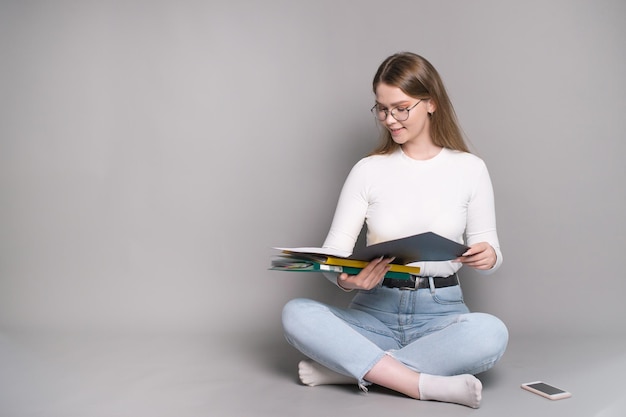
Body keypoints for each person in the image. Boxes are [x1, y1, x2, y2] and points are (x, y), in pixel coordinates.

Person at [281, 52, 508, 409]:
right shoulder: (368, 170)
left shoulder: (470, 169)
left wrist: (489, 255)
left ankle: (354, 370)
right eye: (382, 109)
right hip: (374, 312)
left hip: (441, 314)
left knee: (492, 333)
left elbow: (490, 247)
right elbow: (334, 254)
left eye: (401, 108)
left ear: (431, 103)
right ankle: (419, 383)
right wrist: (346, 280)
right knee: (296, 312)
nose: (390, 119)